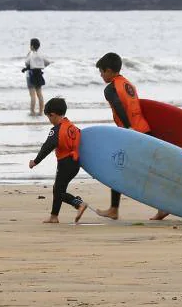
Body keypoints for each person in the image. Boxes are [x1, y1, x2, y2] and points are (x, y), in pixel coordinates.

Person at [93, 52, 169, 221]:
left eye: (102, 71)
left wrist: (127, 127)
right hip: (145, 131)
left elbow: (119, 106)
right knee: (148, 171)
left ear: (110, 71)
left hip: (130, 135)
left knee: (116, 168)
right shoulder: (129, 85)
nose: (101, 75)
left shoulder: (110, 88)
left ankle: (114, 209)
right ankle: (162, 206)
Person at [28, 97, 88, 224]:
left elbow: (47, 147)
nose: (49, 120)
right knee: (58, 189)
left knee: (59, 192)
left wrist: (35, 161)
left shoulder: (56, 130)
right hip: (75, 163)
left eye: (49, 117)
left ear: (53, 114)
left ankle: (79, 204)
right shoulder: (73, 127)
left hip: (65, 164)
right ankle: (54, 217)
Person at [22, 38, 50, 116]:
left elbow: (26, 63)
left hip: (31, 75)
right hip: (39, 74)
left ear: (32, 46)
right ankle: (41, 111)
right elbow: (47, 62)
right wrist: (41, 65)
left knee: (32, 94)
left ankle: (32, 111)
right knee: (40, 94)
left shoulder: (30, 54)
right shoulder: (41, 55)